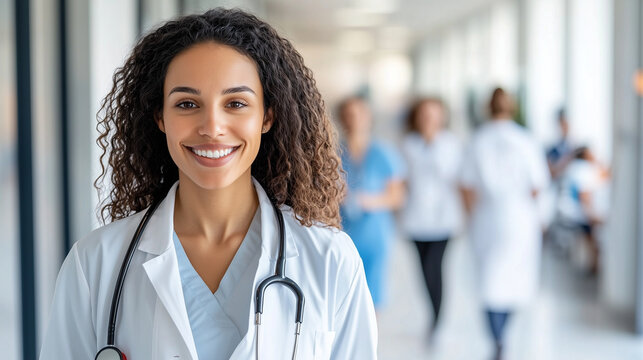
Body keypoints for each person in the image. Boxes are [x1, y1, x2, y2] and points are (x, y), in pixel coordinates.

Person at [39, 9, 377, 360]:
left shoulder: (330, 259)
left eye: (236, 103)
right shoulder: (95, 263)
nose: (212, 126)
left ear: (267, 116)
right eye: (187, 104)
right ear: (160, 117)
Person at [459, 88, 549, 360]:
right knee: (514, 281)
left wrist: (470, 217)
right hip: (520, 218)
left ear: (487, 107)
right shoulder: (525, 140)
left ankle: (497, 338)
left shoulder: (478, 140)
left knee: (489, 283)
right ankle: (503, 334)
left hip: (488, 216)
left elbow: (467, 186)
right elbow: (538, 186)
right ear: (512, 108)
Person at [399, 98, 462, 338]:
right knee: (424, 270)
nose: (428, 120)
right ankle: (433, 313)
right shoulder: (408, 144)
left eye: (433, 115)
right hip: (415, 219)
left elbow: (455, 178)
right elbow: (403, 180)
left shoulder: (450, 144)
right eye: (424, 114)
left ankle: (437, 319)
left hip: (443, 219)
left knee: (435, 267)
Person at [338, 96, 405, 310]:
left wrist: (369, 201)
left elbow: (397, 196)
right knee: (344, 292)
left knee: (372, 294)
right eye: (349, 115)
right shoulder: (333, 153)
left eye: (359, 114)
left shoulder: (383, 153)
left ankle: (370, 341)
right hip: (343, 231)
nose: (354, 120)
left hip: (375, 234)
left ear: (369, 118)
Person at [556, 146, 610, 274]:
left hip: (568, 211)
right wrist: (592, 215)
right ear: (585, 155)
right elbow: (584, 195)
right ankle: (594, 267)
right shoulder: (583, 169)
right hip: (577, 213)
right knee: (598, 233)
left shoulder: (574, 168)